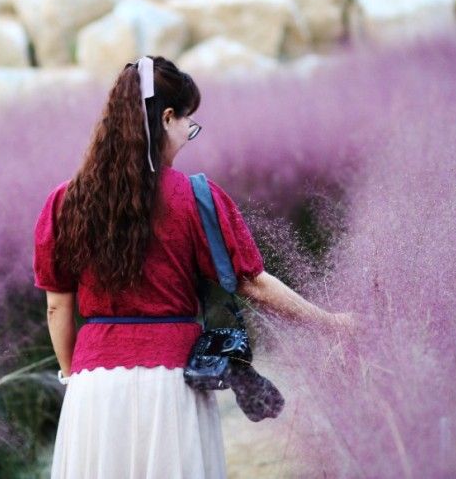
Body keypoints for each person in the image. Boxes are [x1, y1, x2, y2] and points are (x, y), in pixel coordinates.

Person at [32, 56, 355, 479]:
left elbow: (58, 307)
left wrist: (78, 378)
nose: (189, 135)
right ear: (167, 118)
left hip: (94, 388)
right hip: (171, 385)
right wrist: (331, 323)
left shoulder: (64, 201)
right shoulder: (194, 197)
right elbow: (252, 285)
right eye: (190, 124)